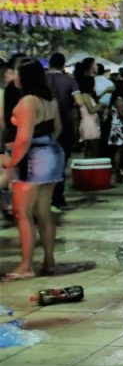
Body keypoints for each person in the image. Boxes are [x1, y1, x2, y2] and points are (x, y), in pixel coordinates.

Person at [0, 60, 65, 280]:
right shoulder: (49, 100)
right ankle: (49, 260)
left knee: (22, 213)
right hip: (52, 152)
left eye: (17, 75)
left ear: (25, 77)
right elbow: (58, 129)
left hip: (32, 158)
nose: (14, 79)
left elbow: (24, 138)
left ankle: (26, 266)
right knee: (43, 211)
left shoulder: (28, 101)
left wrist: (11, 162)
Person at [45, 52, 79, 211]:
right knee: (61, 163)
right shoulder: (69, 80)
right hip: (65, 126)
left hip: (43, 127)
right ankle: (58, 198)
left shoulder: (41, 79)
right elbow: (78, 101)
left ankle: (44, 199)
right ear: (63, 64)